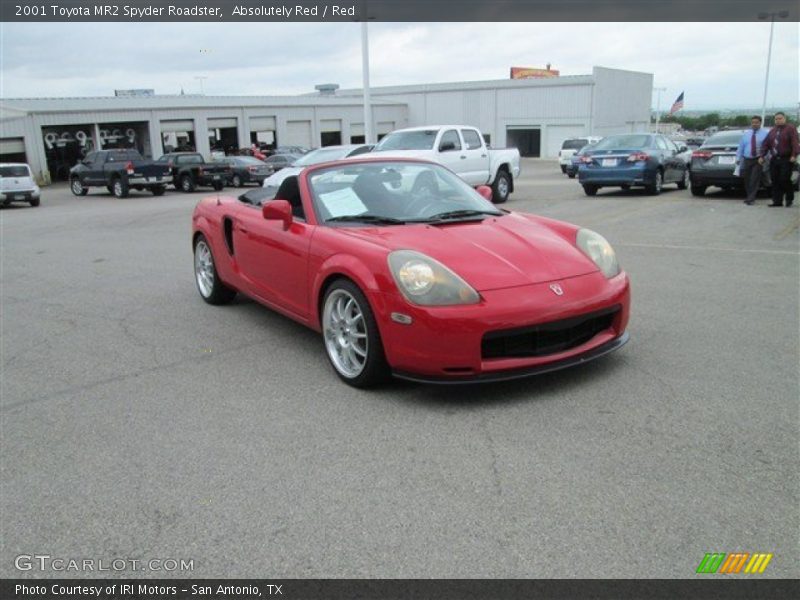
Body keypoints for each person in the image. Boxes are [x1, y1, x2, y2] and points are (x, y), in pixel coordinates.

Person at [760, 112, 799, 207]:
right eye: (776, 119)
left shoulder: (790, 129)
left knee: (784, 179)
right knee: (775, 180)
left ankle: (789, 198)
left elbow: (795, 143)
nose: (778, 120)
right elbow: (766, 144)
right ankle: (777, 201)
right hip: (774, 159)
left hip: (786, 158)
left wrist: (794, 155)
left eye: (780, 118)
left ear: (785, 119)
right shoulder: (772, 131)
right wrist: (762, 156)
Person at [736, 116, 769, 205]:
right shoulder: (746, 134)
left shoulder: (765, 134)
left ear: (760, 123)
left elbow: (767, 147)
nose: (754, 124)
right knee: (747, 179)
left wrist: (763, 157)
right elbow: (741, 147)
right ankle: (749, 196)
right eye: (753, 122)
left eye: (756, 122)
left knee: (754, 179)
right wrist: (738, 158)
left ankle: (751, 199)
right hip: (747, 159)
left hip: (758, 159)